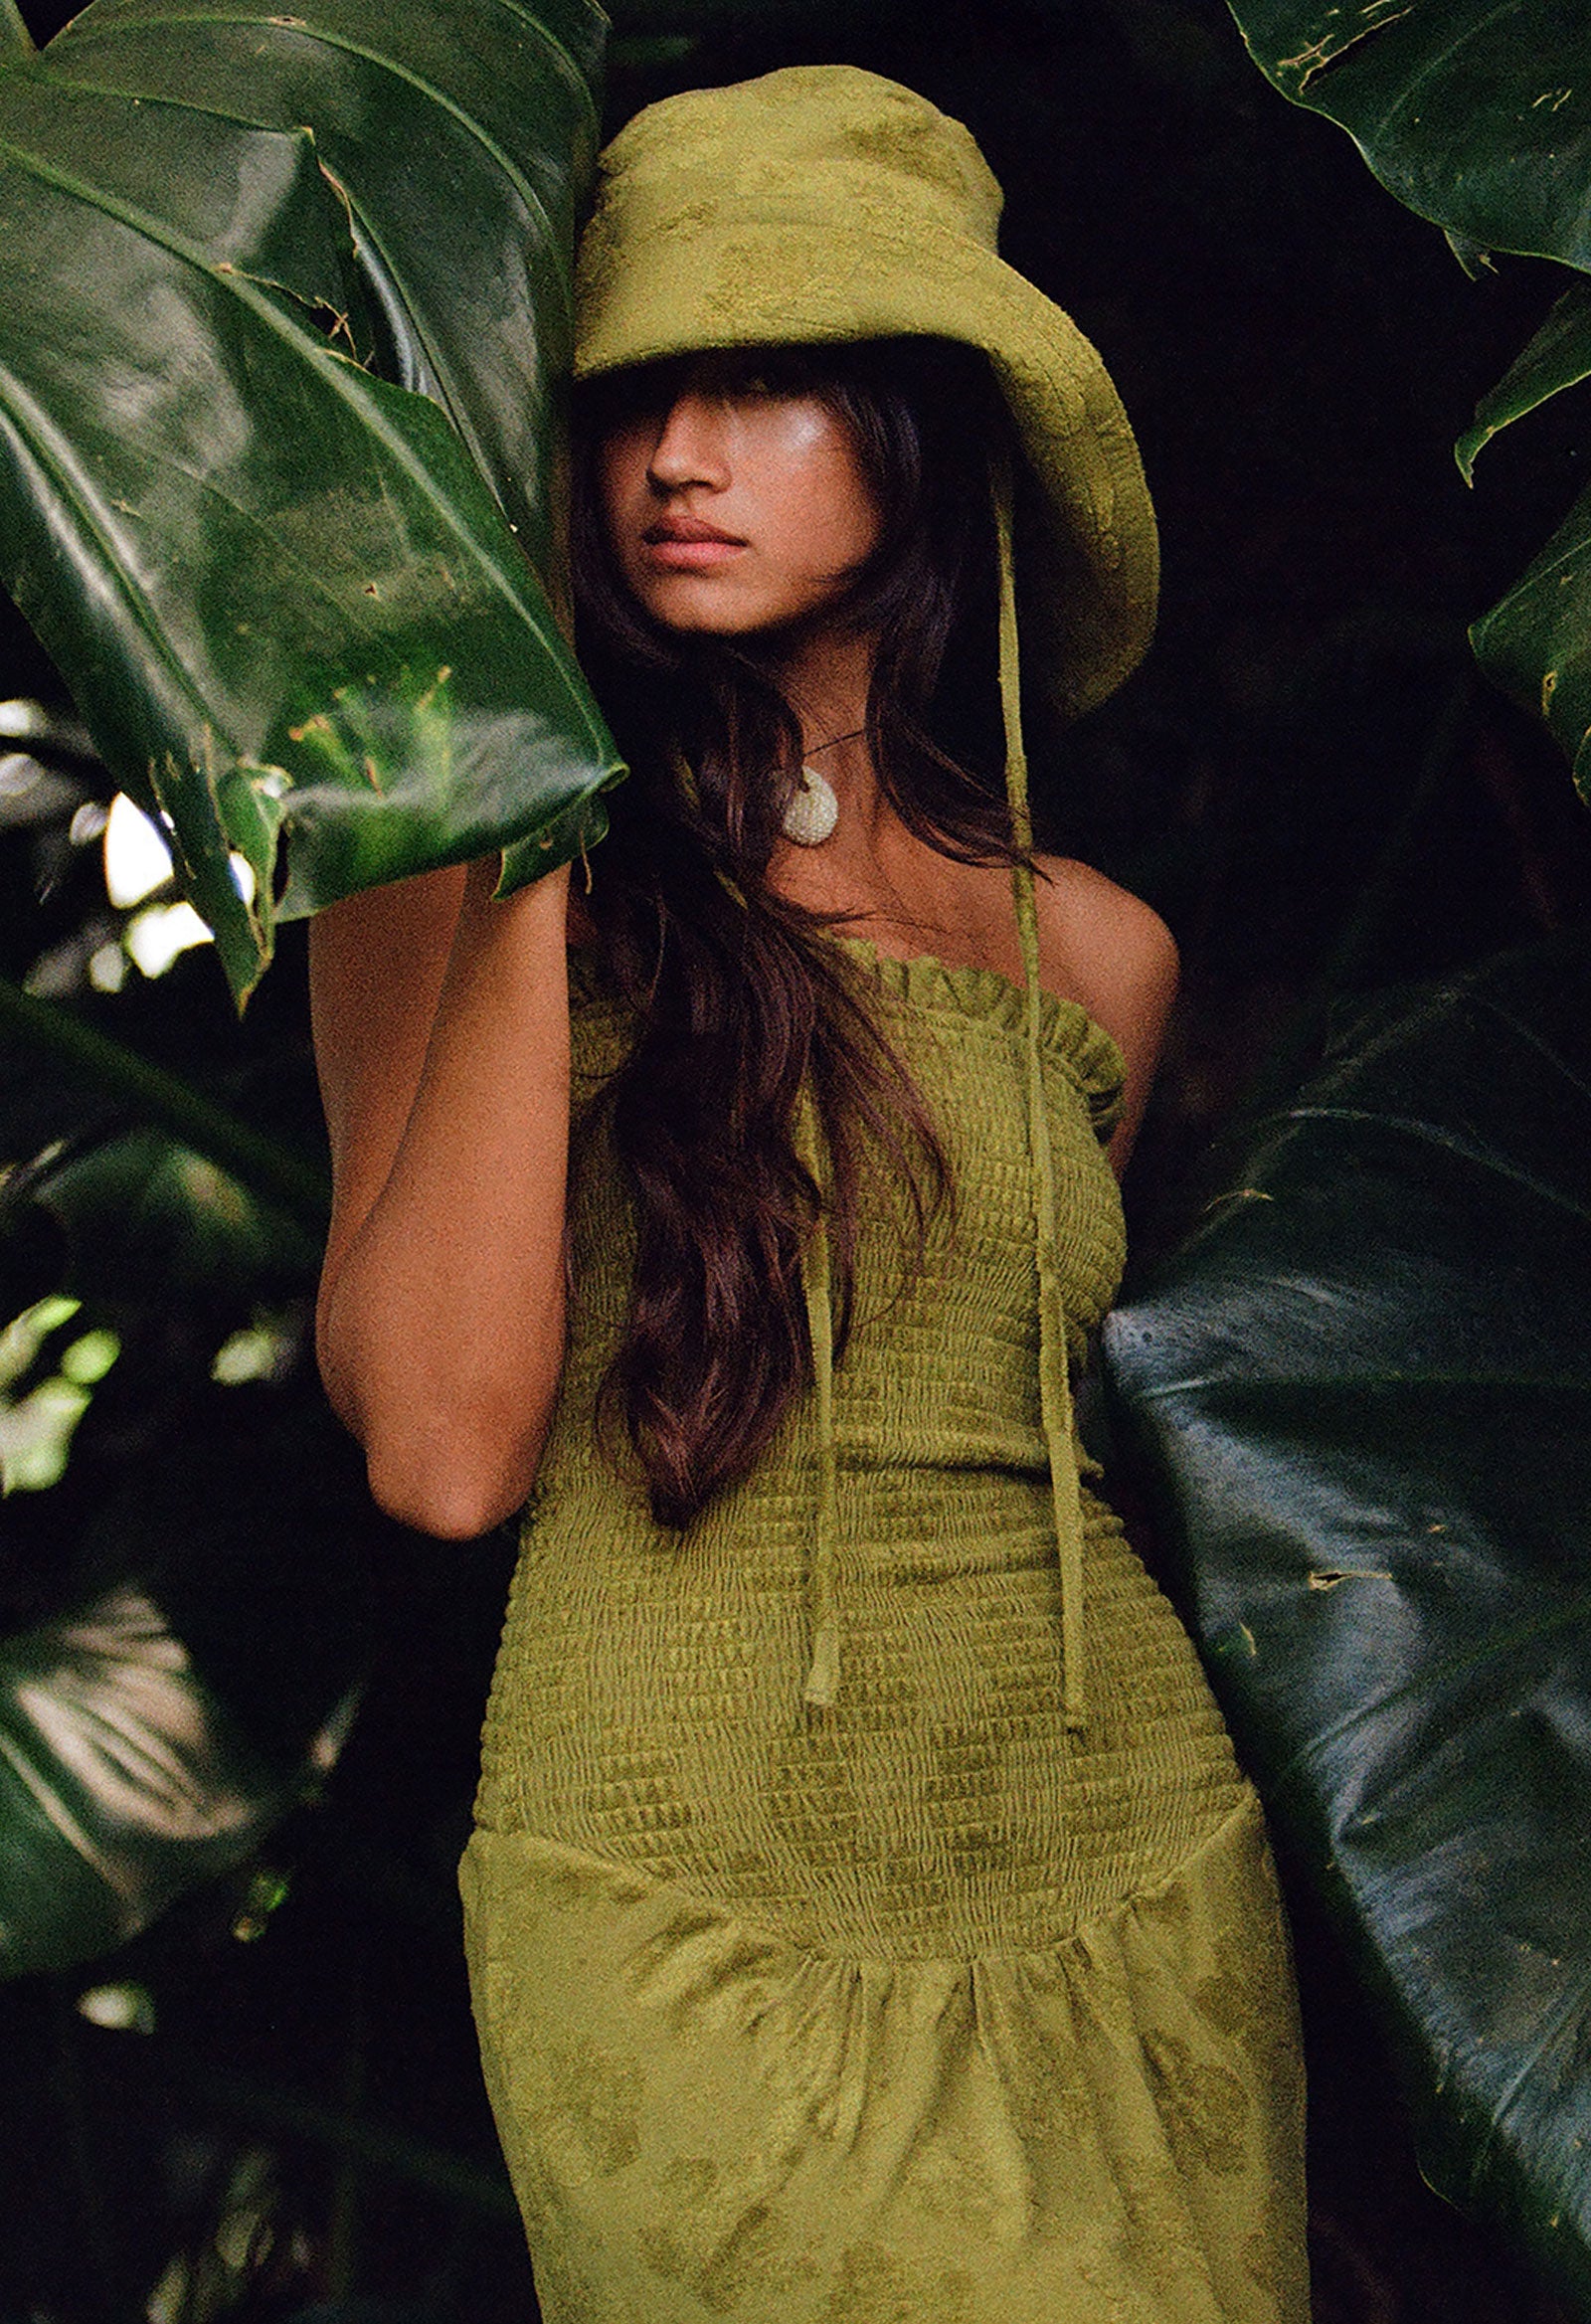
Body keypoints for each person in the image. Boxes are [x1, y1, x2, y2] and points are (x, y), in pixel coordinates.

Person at [310, 65, 1310, 2324]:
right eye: (631, 395)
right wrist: (541, 810)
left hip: (1122, 1865)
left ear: (923, 430)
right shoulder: (451, 879)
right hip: (681, 1877)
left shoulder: (1092, 951)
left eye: (759, 383)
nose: (673, 455)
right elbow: (445, 1450)